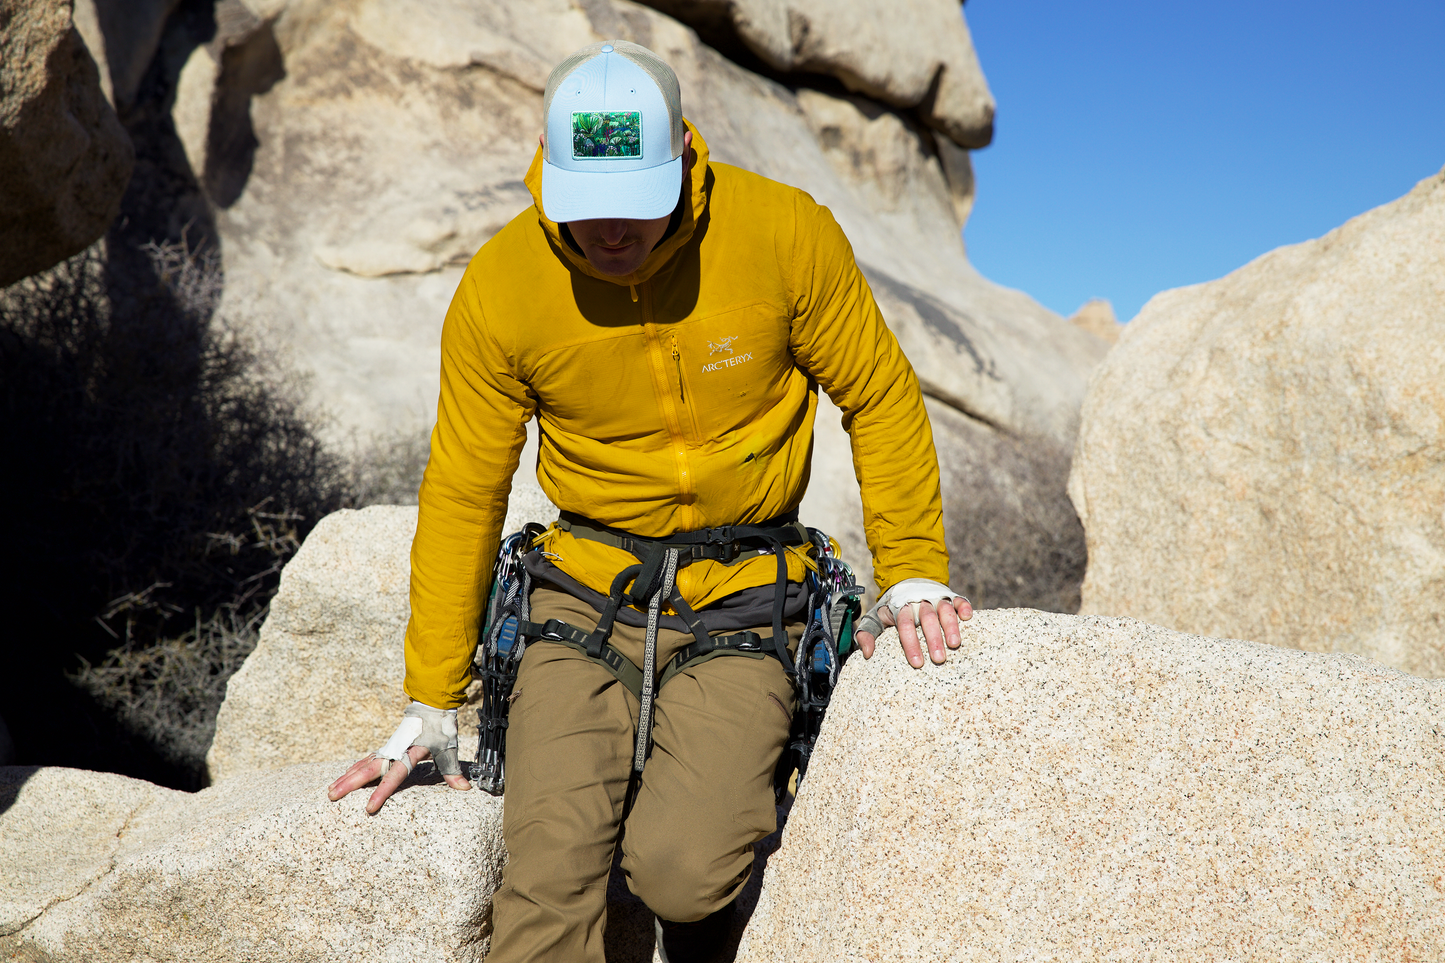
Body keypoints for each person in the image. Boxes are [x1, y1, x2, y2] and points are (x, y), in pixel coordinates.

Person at [328, 40, 973, 963]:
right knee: (545, 881)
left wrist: (911, 568)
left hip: (746, 593)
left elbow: (877, 393)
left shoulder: (782, 233)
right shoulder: (504, 285)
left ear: (682, 160)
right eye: (587, 205)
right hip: (580, 594)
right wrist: (431, 701)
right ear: (548, 175)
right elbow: (466, 486)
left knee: (679, 871)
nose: (612, 231)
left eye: (635, 201)